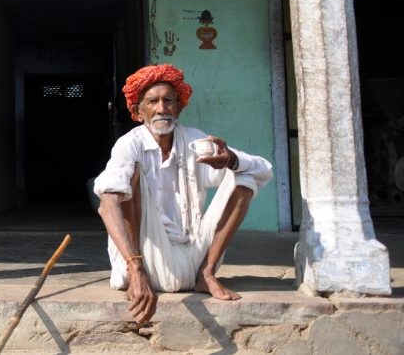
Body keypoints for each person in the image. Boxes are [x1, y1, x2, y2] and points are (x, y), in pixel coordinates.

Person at [93, 64, 273, 324]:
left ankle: (208, 274)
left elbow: (263, 169)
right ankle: (135, 272)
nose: (162, 109)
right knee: (125, 182)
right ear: (137, 111)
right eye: (152, 101)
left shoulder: (194, 140)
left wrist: (230, 159)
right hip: (144, 264)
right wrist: (135, 267)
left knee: (243, 176)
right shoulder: (129, 145)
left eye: (169, 100)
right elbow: (107, 204)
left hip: (193, 259)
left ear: (179, 107)